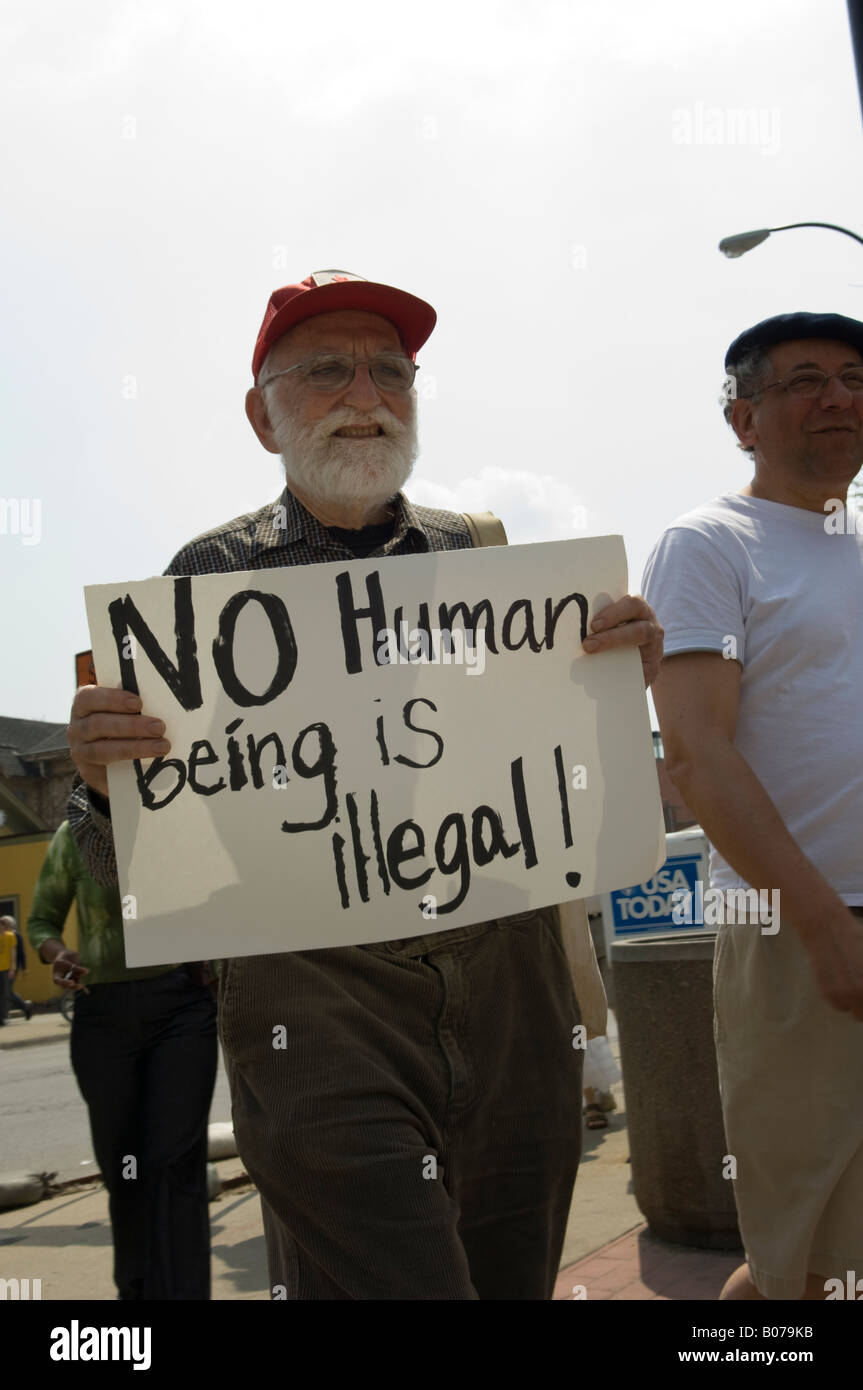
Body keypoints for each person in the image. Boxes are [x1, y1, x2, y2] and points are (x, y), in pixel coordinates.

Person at [65, 269, 663, 1301]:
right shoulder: (198, 584)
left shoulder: (483, 561)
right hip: (315, 1000)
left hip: (511, 987)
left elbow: (572, 795)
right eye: (326, 370)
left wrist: (611, 686)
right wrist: (102, 784)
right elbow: (148, 866)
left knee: (507, 1274)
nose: (366, 393)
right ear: (263, 416)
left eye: (391, 369)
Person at [642, 311, 863, 1302]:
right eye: (804, 380)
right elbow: (693, 752)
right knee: (799, 1260)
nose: (839, 398)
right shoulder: (707, 544)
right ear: (742, 418)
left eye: (854, 379)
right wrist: (817, 921)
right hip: (793, 928)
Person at [27, 820, 218, 1300]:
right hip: (102, 1014)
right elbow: (40, 922)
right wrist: (58, 954)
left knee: (175, 1161)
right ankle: (137, 1294)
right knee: (125, 1166)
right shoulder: (74, 836)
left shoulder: (176, 823)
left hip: (181, 1004)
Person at [6, 920, 32, 1020]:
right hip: (3, 967)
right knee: (5, 991)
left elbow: (21, 952)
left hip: (12, 967)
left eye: (5, 924)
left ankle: (25, 1007)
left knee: (7, 991)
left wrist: (24, 967)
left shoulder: (16, 935)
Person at [0, 917, 17, 1025]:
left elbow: (13, 953)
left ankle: (5, 1015)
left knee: (5, 993)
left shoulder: (10, 936)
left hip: (6, 969)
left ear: (3, 926)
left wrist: (12, 968)